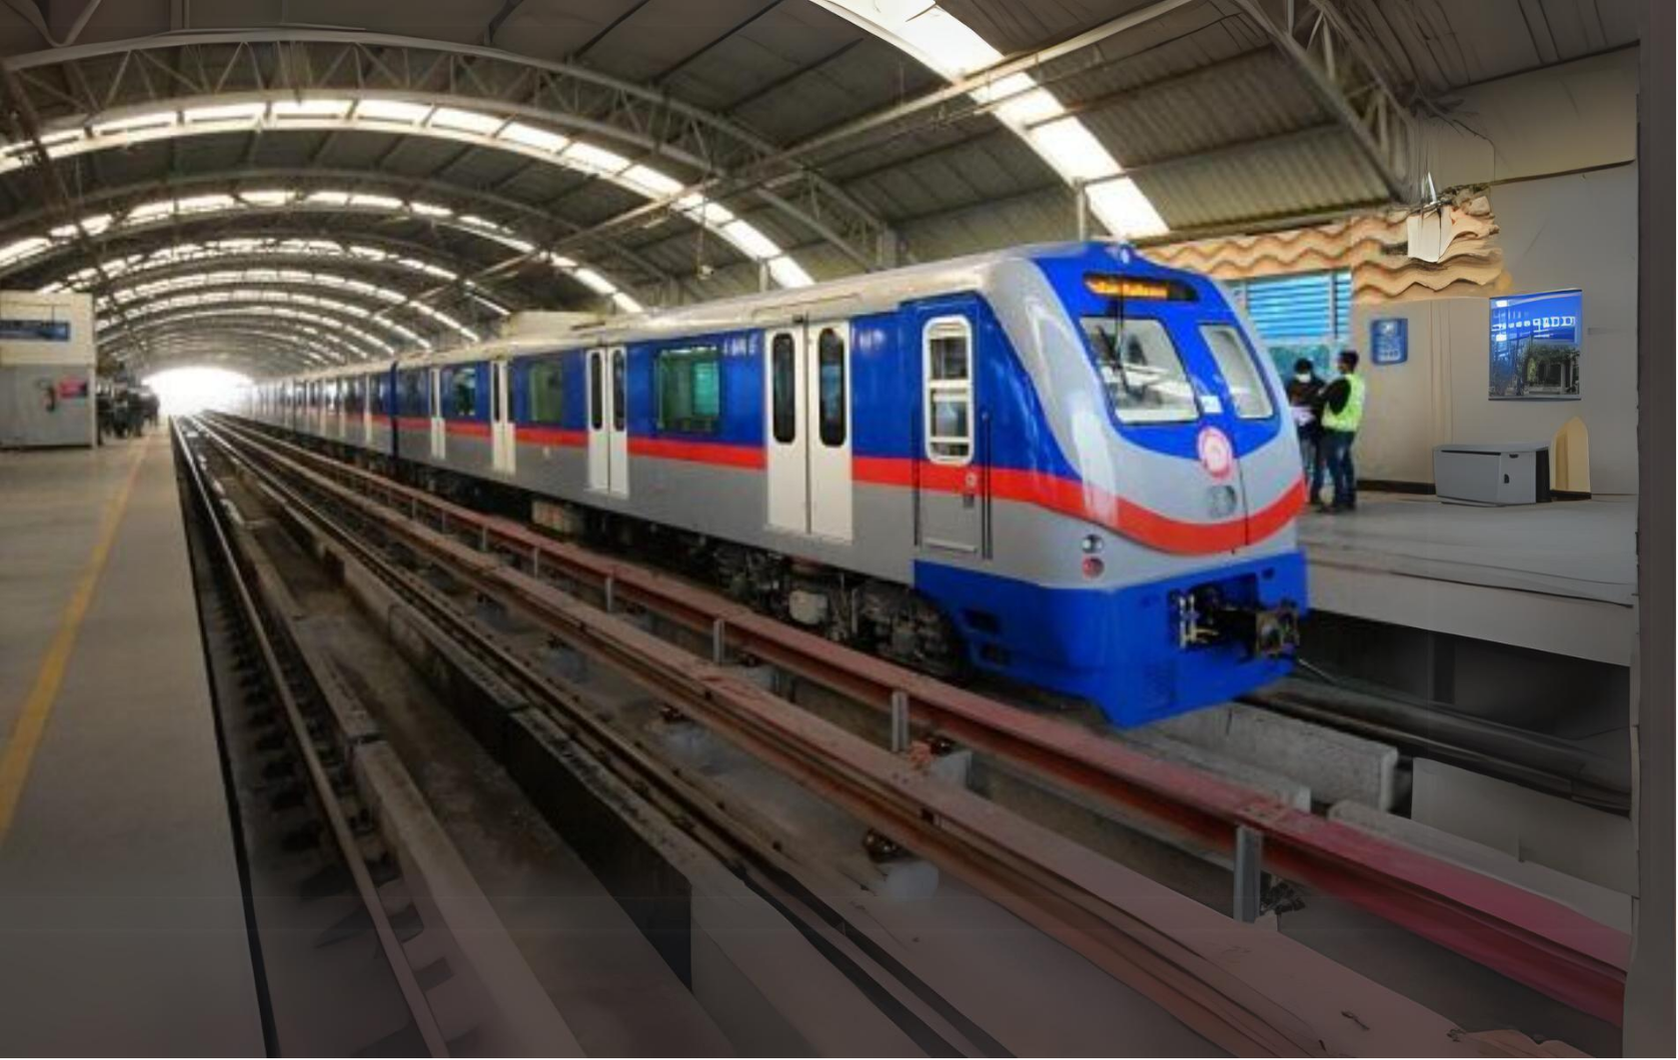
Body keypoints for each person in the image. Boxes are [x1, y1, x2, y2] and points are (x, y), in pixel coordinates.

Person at [1318, 349, 1367, 512]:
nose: (1337, 365)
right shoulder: (1359, 383)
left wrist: (1321, 393)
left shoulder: (1340, 382)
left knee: (1334, 466)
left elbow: (1321, 399)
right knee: (1346, 465)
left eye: (1339, 362)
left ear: (1346, 364)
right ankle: (1350, 500)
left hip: (1336, 430)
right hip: (1350, 430)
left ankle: (1338, 501)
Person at [1285, 357, 1326, 504]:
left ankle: (1315, 495)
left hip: (1319, 429)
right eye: (1299, 372)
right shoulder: (1290, 384)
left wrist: (1311, 408)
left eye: (1304, 371)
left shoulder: (1320, 384)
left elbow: (1325, 404)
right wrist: (1294, 409)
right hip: (1303, 429)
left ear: (1310, 371)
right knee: (1305, 465)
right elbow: (1286, 405)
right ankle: (1302, 495)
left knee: (1318, 466)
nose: (1301, 374)